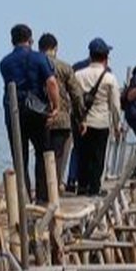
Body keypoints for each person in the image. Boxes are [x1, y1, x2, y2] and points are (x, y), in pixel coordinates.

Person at [0, 23, 59, 202]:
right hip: (36, 110)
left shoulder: (5, 62)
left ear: (12, 41)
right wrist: (56, 107)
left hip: (14, 111)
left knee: (20, 156)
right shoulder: (40, 59)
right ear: (30, 39)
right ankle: (42, 197)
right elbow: (51, 83)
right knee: (43, 153)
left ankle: (23, 197)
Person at [74, 38, 121, 196]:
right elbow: (115, 105)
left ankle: (81, 186)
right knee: (97, 156)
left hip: (82, 122)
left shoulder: (78, 75)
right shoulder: (109, 78)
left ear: (90, 55)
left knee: (82, 155)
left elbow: (74, 99)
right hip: (101, 122)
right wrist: (117, 125)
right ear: (106, 57)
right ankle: (94, 188)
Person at [38, 33, 85, 190]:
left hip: (40, 119)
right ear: (56, 48)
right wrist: (81, 118)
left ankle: (41, 192)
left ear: (39, 48)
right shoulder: (65, 67)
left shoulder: (34, 65)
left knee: (41, 157)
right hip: (61, 119)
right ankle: (54, 191)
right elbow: (76, 95)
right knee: (58, 158)